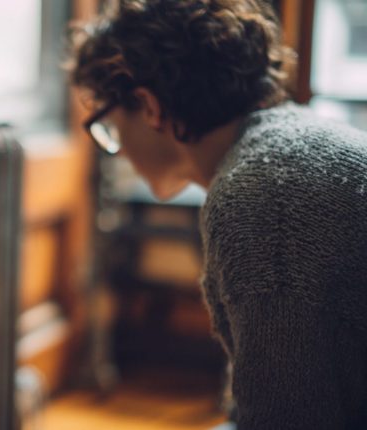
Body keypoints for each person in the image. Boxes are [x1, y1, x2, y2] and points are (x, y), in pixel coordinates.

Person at [69, 0, 367, 428]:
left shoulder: (262, 195)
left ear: (148, 106)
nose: (118, 147)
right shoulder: (295, 142)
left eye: (110, 128)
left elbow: (288, 418)